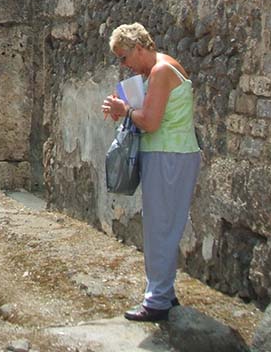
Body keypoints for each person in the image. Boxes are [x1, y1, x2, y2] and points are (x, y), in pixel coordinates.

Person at [100, 22, 200, 322]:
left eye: (124, 56)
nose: (124, 64)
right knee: (160, 224)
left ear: (139, 48)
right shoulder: (156, 71)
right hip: (168, 153)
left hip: (170, 154)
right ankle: (162, 292)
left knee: (160, 226)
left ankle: (157, 299)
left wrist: (126, 111)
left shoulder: (160, 71)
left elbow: (151, 121)